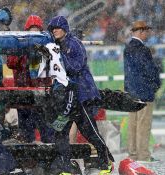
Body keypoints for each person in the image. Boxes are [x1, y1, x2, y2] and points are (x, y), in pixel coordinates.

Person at [41, 15, 114, 174]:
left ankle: (105, 163)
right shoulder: (53, 46)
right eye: (53, 29)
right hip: (65, 100)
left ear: (65, 29)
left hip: (81, 97)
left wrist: (58, 56)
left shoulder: (75, 44)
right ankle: (65, 167)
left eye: (58, 28)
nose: (55, 31)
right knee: (60, 133)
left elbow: (76, 67)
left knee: (91, 133)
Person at [6, 15, 55, 143]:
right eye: (31, 32)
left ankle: (48, 159)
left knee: (47, 134)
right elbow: (10, 63)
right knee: (26, 135)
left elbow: (52, 67)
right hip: (24, 97)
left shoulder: (46, 47)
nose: (34, 36)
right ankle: (30, 161)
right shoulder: (18, 44)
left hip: (41, 96)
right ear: (26, 32)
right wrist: (24, 52)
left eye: (36, 32)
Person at [124, 20, 161, 162]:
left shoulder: (127, 48)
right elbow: (149, 71)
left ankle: (133, 154)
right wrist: (156, 84)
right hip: (144, 91)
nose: (148, 34)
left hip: (131, 92)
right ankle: (143, 155)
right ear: (141, 31)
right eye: (147, 31)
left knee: (132, 125)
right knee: (143, 125)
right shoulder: (143, 49)